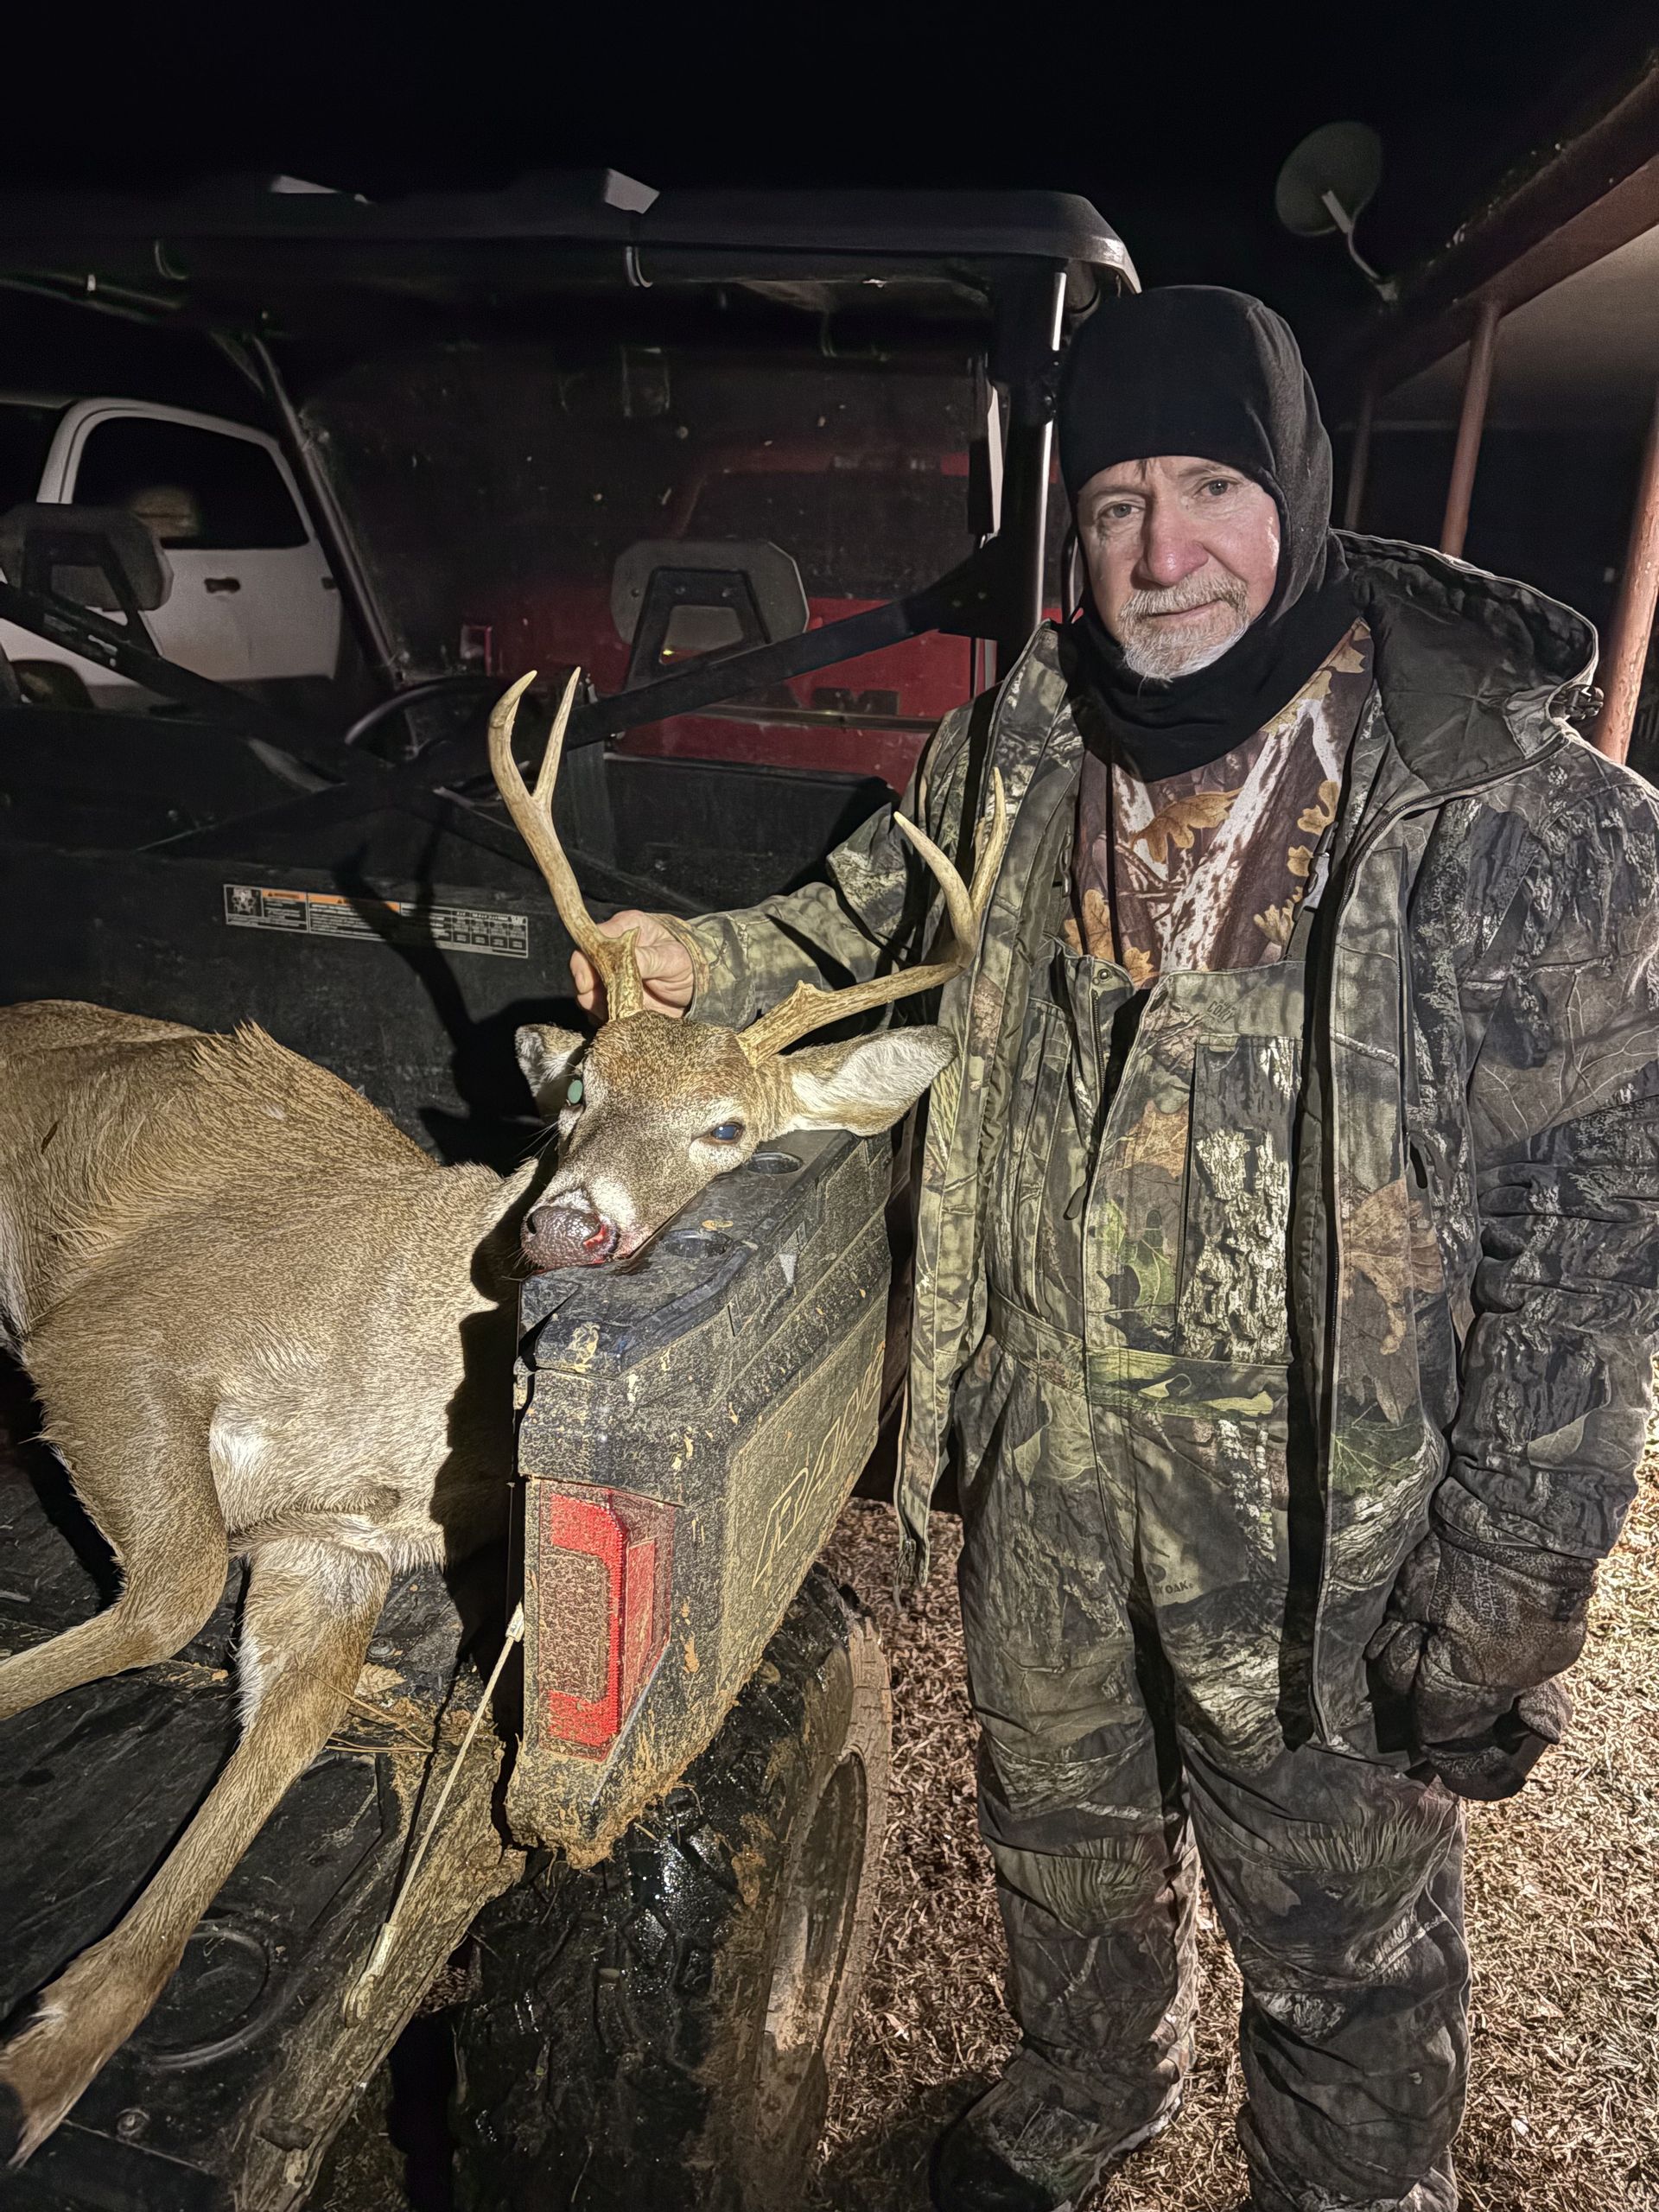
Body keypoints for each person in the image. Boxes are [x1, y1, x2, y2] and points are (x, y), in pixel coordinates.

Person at [570, 287, 1659, 2212]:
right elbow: (863, 925)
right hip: (1051, 1454)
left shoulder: (1512, 813)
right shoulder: (1023, 738)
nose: (1163, 554)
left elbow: (1591, 1234)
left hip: (1327, 1519)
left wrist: (1511, 1566)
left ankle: (1348, 2187)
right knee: (1059, 1828)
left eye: (1211, 489)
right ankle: (1089, 2089)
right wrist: (702, 962)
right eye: (1117, 503)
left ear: (1297, 491)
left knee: (1338, 1918)